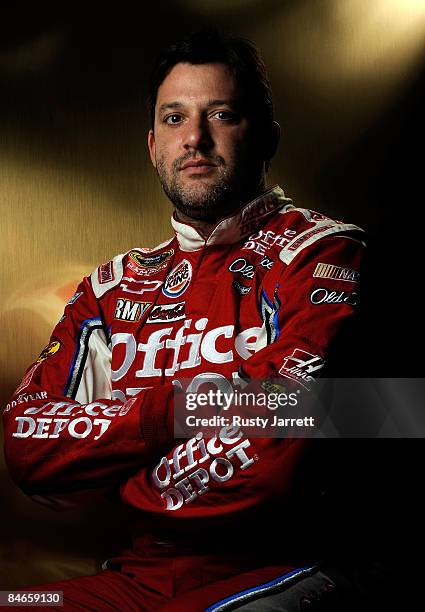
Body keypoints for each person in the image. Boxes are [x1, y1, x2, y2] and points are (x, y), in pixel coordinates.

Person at [2, 29, 370, 610]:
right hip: (135, 577)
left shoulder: (323, 253)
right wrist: (167, 413)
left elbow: (284, 451)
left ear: (267, 134)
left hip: (281, 569)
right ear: (152, 144)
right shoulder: (111, 286)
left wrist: (119, 465)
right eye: (174, 119)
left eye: (220, 115)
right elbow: (25, 444)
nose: (194, 139)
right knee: (20, 603)